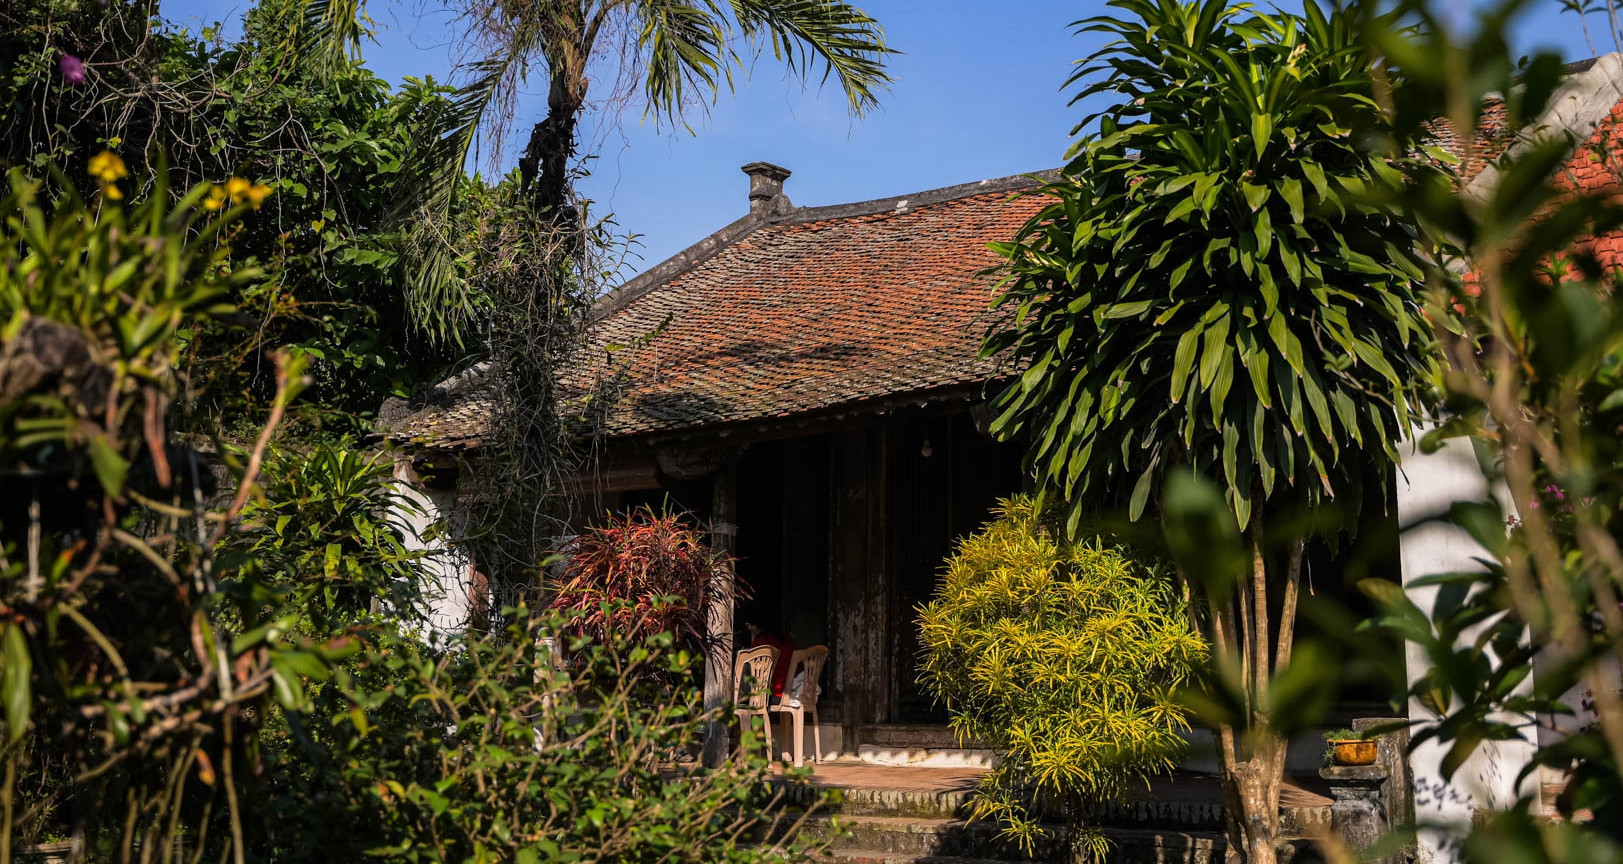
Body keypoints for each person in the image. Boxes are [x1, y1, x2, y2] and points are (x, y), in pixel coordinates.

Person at [743, 622, 795, 703]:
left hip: (773, 693)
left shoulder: (762, 642)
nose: (749, 628)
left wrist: (753, 641)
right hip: (791, 690)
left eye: (752, 624)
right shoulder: (788, 640)